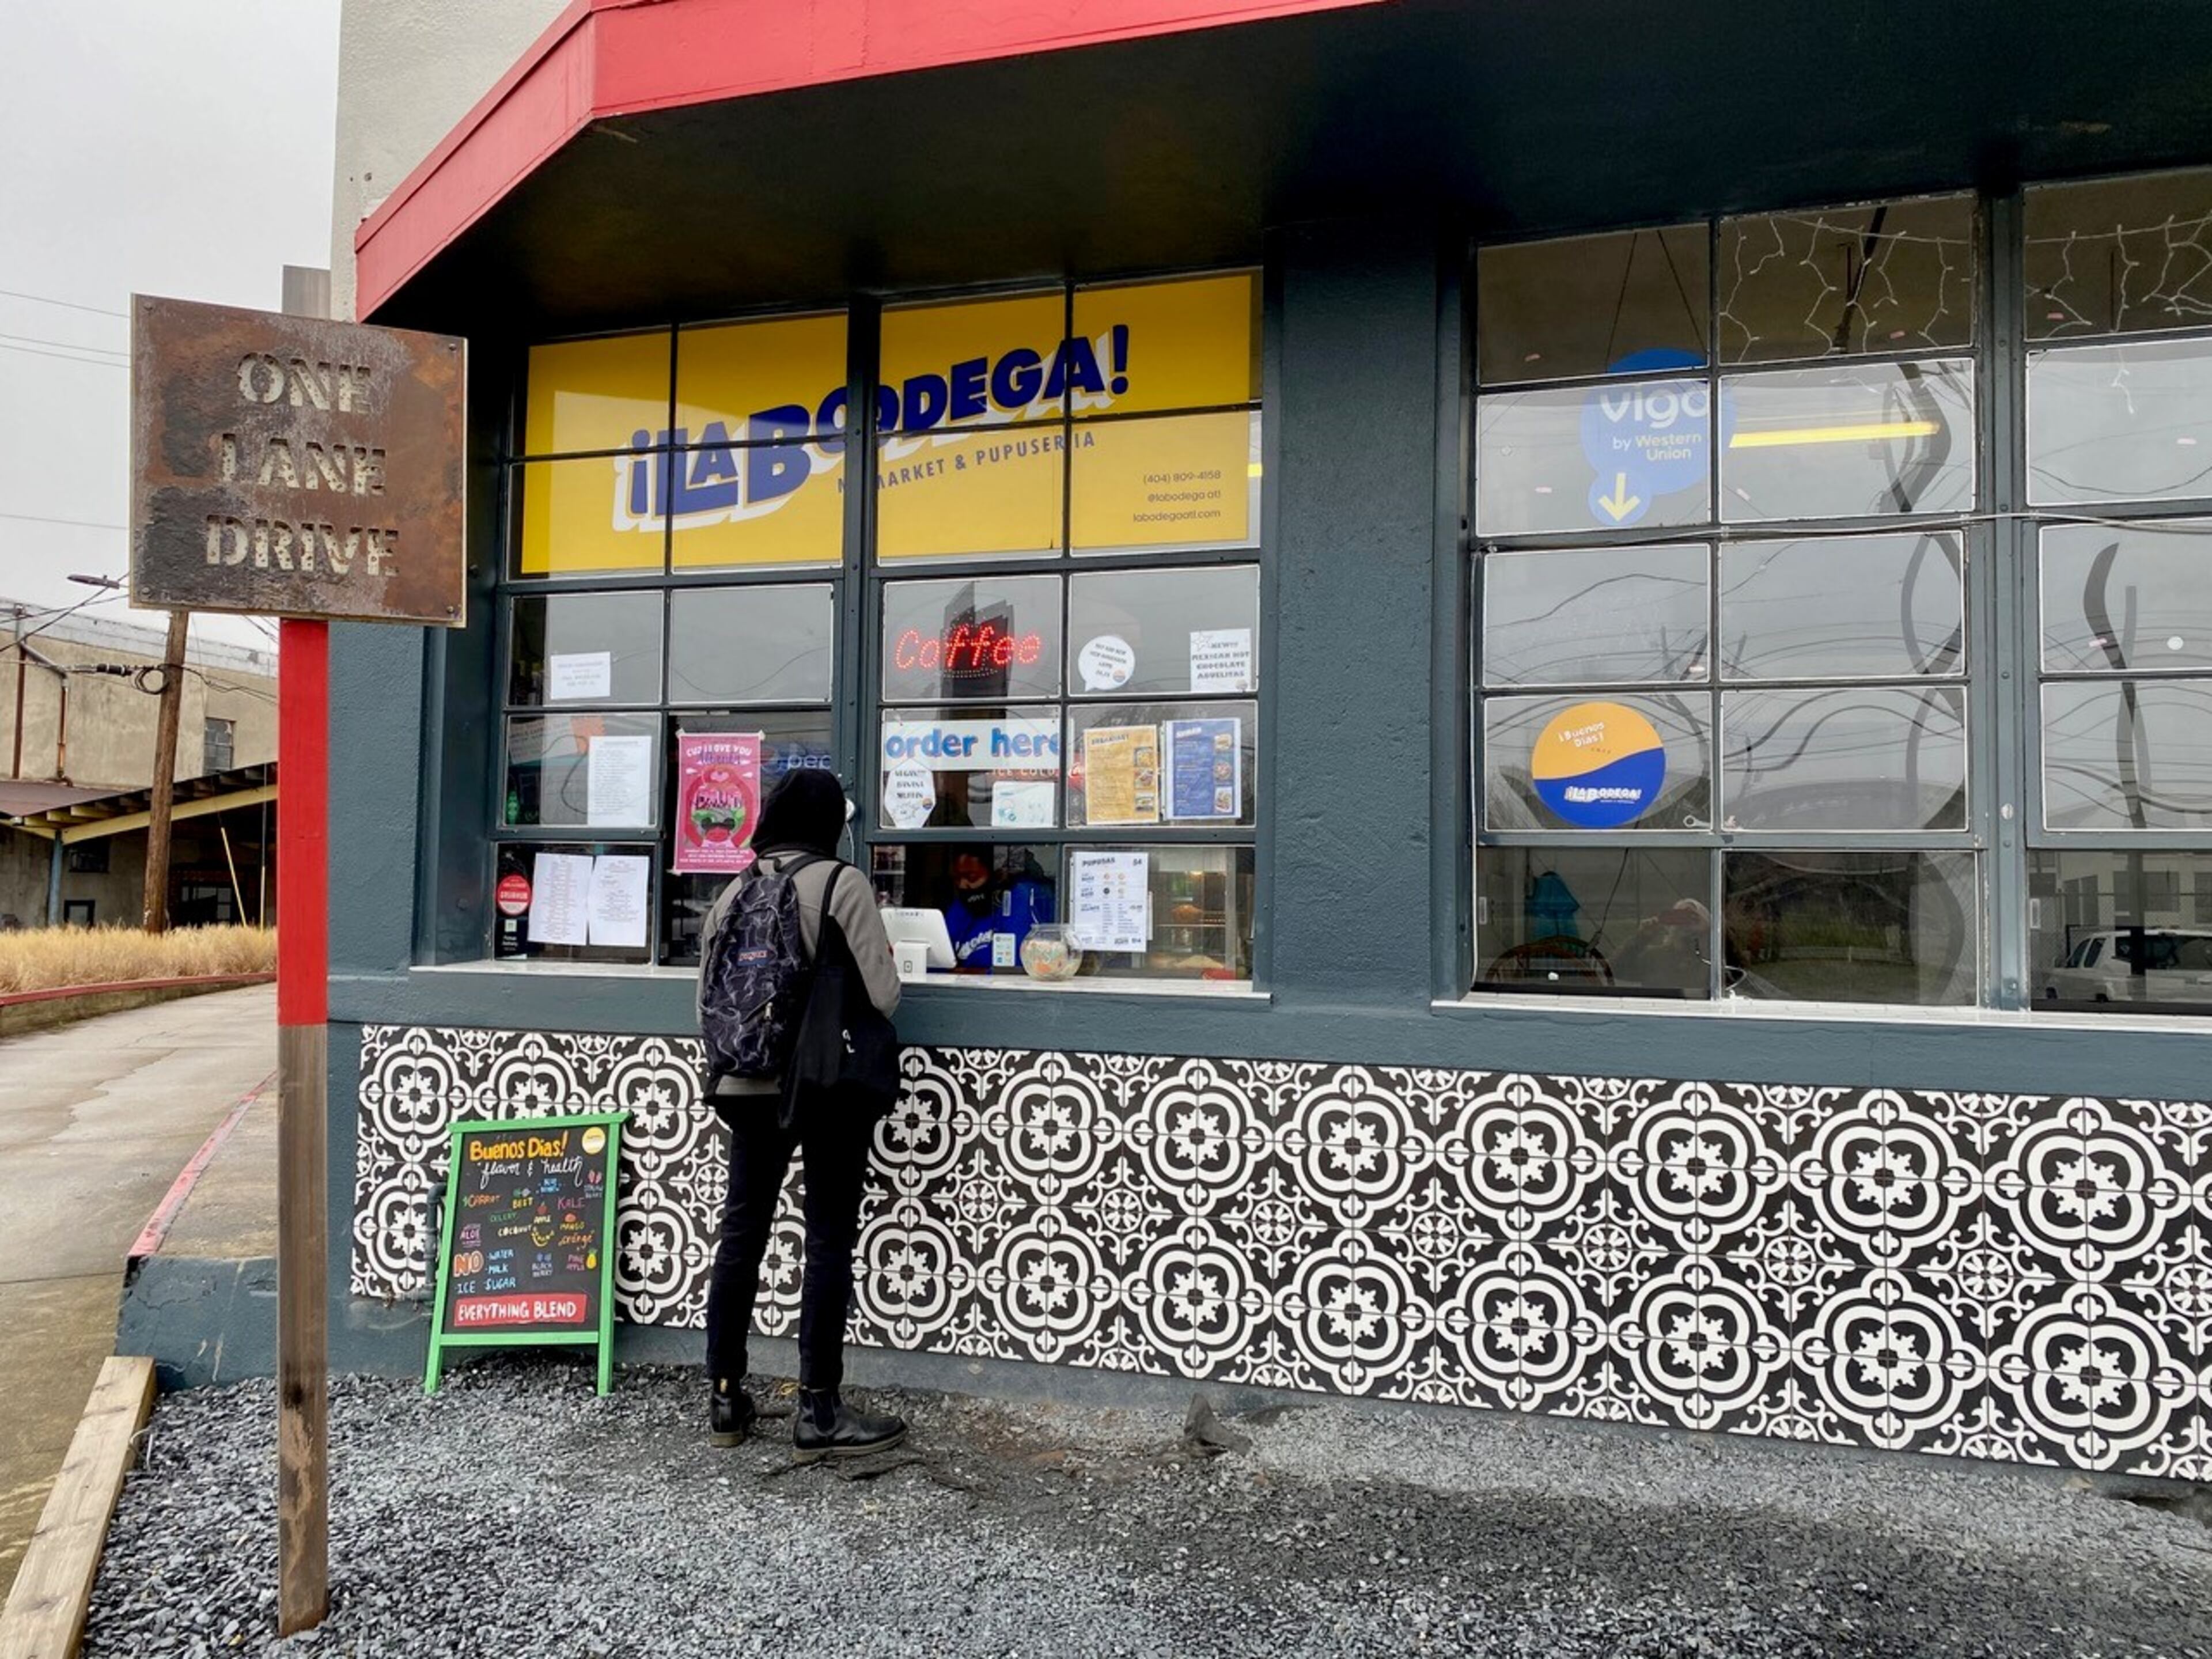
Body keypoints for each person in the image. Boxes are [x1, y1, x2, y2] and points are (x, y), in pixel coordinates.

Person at [696, 770, 907, 1460]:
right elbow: (883, 993)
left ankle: (726, 1395)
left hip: (746, 1088)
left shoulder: (731, 891)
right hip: (825, 1090)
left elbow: (708, 997)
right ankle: (818, 1408)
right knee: (827, 1242)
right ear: (824, 821)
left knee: (742, 1232)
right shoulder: (839, 883)